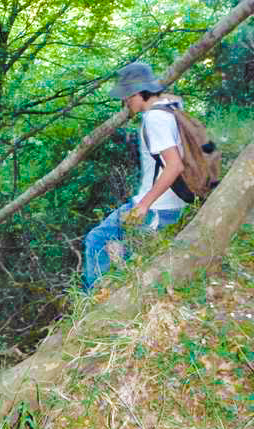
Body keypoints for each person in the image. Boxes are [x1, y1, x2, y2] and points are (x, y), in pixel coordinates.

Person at [83, 62, 187, 290]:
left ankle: (95, 302)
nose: (125, 101)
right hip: (163, 204)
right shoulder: (170, 108)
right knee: (123, 253)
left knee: (96, 240)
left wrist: (143, 206)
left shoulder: (155, 119)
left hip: (156, 208)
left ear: (140, 92)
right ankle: (110, 292)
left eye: (127, 95)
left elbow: (174, 166)